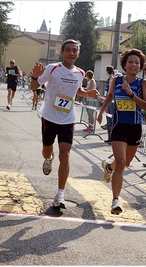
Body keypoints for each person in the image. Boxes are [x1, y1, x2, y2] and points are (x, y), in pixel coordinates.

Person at [30, 39, 99, 209]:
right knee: (47, 151)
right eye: (68, 50)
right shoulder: (52, 68)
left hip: (68, 119)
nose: (71, 53)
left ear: (78, 54)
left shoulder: (80, 73)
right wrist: (35, 76)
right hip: (49, 117)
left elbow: (77, 91)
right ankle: (48, 159)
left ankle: (60, 194)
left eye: (74, 50)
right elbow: (34, 86)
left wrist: (88, 93)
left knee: (65, 155)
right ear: (62, 52)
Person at [97, 48, 146, 214]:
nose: (134, 65)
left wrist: (131, 94)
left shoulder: (142, 83)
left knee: (124, 163)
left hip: (135, 127)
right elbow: (110, 96)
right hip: (119, 126)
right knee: (121, 162)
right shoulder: (117, 79)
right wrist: (101, 111)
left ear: (140, 66)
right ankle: (115, 201)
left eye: (137, 63)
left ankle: (108, 168)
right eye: (130, 62)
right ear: (125, 65)